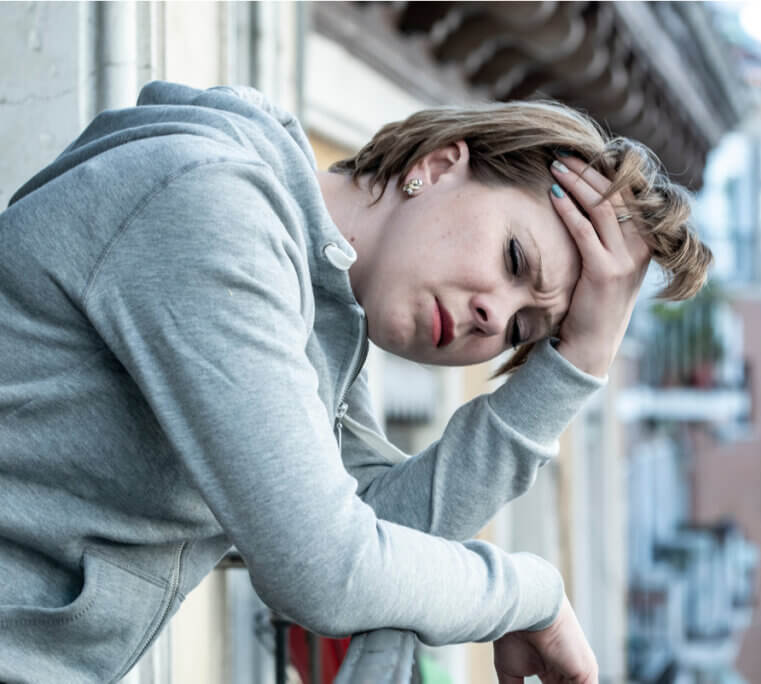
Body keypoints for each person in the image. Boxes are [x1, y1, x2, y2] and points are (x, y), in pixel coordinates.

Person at [0, 81, 711, 683]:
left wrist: (576, 365)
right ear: (436, 166)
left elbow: (388, 539)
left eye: (523, 331)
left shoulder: (325, 325)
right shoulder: (214, 212)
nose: (495, 314)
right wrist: (533, 595)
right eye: (514, 257)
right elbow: (328, 568)